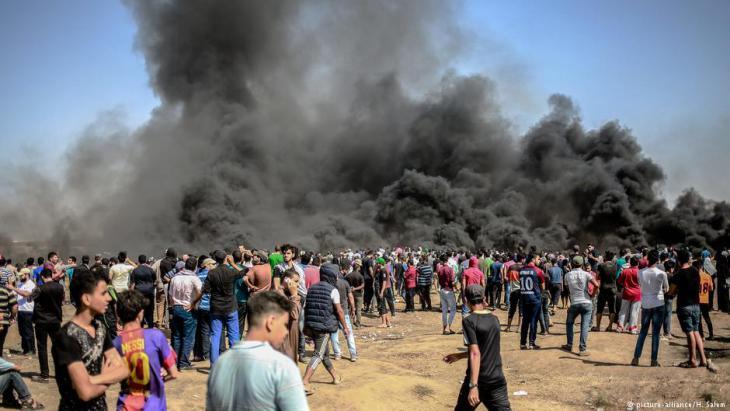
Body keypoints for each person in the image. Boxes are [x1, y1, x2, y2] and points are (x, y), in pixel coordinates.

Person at [206, 291, 308, 411]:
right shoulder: (281, 366)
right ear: (271, 322)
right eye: (285, 325)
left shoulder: (220, 363)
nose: (286, 332)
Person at [52, 267, 129, 410]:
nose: (109, 298)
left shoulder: (100, 328)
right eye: (103, 293)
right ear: (86, 299)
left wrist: (95, 379)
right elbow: (85, 393)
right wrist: (109, 376)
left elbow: (123, 369)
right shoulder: (67, 337)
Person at [443, 285, 511, 411]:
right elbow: (485, 349)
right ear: (484, 298)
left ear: (466, 301)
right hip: (497, 379)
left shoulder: (469, 321)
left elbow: (475, 353)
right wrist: (460, 355)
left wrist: (473, 386)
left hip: (479, 380)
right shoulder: (495, 319)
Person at [114, 290, 178, 410]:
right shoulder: (156, 336)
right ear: (140, 313)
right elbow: (173, 373)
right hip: (153, 406)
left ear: (119, 314)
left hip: (126, 406)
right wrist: (157, 380)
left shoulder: (116, 344)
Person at [301, 263, 349, 394]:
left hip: (311, 326)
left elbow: (306, 308)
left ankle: (335, 377)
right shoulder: (333, 290)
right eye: (336, 276)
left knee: (325, 354)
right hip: (324, 328)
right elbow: (339, 311)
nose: (337, 278)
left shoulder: (311, 288)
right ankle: (305, 382)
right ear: (331, 276)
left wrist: (306, 326)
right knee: (318, 354)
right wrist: (345, 327)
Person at [8, 268, 62, 383]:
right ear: (51, 275)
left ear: (42, 277)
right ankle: (60, 373)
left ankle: (44, 375)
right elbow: (61, 300)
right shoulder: (59, 287)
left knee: (42, 348)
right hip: (55, 321)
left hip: (41, 321)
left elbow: (29, 299)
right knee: (58, 347)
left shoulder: (39, 289)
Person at [668, 250, 717, 372]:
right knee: (696, 331)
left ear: (678, 261)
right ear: (688, 259)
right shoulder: (696, 271)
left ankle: (692, 360)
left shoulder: (678, 275)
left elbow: (671, 292)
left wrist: (669, 293)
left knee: (689, 332)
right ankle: (703, 359)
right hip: (696, 305)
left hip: (685, 306)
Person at [196, 250, 245, 365]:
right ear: (225, 259)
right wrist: (233, 264)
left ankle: (214, 364)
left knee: (215, 336)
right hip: (230, 308)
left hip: (216, 308)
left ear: (215, 260)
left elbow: (206, 290)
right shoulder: (230, 271)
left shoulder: (212, 273)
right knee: (233, 336)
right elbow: (244, 272)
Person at [631, 250, 668, 367]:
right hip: (658, 303)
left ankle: (636, 358)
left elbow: (640, 284)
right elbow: (666, 288)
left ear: (647, 260)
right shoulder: (662, 273)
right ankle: (653, 360)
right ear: (657, 260)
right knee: (656, 333)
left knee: (643, 332)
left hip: (646, 304)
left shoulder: (640, 272)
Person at [561, 256, 599, 356]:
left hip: (574, 303)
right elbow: (596, 285)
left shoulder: (567, 275)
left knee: (569, 323)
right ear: (582, 265)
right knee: (584, 326)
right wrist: (592, 295)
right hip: (586, 302)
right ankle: (582, 349)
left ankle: (569, 344)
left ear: (572, 264)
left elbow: (567, 289)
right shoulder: (586, 274)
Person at [168, 257, 201, 371]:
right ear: (195, 267)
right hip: (188, 309)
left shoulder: (175, 278)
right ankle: (184, 363)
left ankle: (176, 362)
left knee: (177, 336)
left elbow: (170, 295)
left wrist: (173, 306)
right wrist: (193, 303)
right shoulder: (194, 278)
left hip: (176, 307)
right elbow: (201, 291)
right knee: (188, 337)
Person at [332, 262, 357, 361]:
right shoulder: (345, 283)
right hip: (344, 312)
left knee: (334, 334)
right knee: (348, 333)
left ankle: (337, 354)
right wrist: (353, 309)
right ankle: (353, 354)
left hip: (333, 312)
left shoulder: (330, 284)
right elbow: (350, 297)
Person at [277, 269, 302, 362]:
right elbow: (294, 315)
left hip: (291, 337)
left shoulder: (287, 295)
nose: (298, 285)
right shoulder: (279, 296)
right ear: (287, 280)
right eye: (295, 281)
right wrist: (294, 295)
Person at [518, 254, 542, 350]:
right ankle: (532, 343)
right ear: (533, 259)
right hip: (535, 299)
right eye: (538, 259)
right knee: (533, 321)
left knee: (525, 321)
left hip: (524, 298)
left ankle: (523, 343)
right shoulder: (538, 271)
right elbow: (543, 286)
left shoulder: (521, 270)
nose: (539, 260)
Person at [129, 255, 156, 328]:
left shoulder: (135, 270)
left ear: (139, 261)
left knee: (140, 310)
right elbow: (154, 281)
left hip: (139, 293)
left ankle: (140, 327)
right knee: (150, 311)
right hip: (149, 292)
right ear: (146, 260)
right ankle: (150, 327)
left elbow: (133, 284)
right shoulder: (150, 270)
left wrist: (131, 295)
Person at [593, 251, 617, 332]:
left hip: (603, 289)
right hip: (613, 289)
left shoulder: (601, 265)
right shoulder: (615, 266)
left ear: (605, 257)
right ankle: (610, 326)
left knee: (600, 308)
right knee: (612, 309)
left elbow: (597, 276)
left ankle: (598, 327)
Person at [617, 256, 641, 333]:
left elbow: (619, 281)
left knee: (623, 311)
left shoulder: (625, 271)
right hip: (637, 294)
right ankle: (632, 328)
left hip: (626, 293)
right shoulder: (640, 272)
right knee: (634, 311)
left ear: (630, 262)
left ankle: (620, 327)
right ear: (638, 263)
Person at [15, 268, 36, 356]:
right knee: (22, 331)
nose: (20, 277)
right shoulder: (20, 284)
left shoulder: (31, 284)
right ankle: (25, 349)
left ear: (27, 275)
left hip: (28, 310)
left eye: (21, 275)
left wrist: (13, 288)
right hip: (20, 310)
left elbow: (26, 294)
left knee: (28, 331)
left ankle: (31, 349)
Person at [437, 255, 457, 334]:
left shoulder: (440, 269)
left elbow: (439, 279)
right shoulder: (450, 269)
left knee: (444, 310)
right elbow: (452, 281)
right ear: (447, 260)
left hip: (442, 290)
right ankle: (449, 327)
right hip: (449, 290)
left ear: (442, 261)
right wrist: (456, 287)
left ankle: (444, 328)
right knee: (453, 309)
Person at [697, 259, 714, 340]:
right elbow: (711, 288)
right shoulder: (708, 276)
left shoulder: (695, 276)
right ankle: (711, 334)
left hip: (697, 300)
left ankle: (702, 336)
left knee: (699, 319)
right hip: (705, 300)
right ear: (702, 267)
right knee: (707, 317)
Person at [0, 280, 18, 357]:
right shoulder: (7, 291)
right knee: (0, 342)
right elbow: (15, 307)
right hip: (3, 320)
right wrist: (12, 317)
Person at [375, 258, 394, 327]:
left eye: (378, 263)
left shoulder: (383, 270)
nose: (377, 264)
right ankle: (388, 322)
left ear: (381, 263)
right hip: (380, 290)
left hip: (382, 290)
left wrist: (381, 292)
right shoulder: (380, 270)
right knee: (382, 305)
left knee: (382, 306)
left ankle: (384, 323)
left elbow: (384, 281)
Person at [345, 260, 364, 327]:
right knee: (358, 310)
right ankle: (358, 323)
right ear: (358, 268)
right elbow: (362, 285)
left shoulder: (348, 276)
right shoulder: (360, 276)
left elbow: (345, 285)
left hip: (350, 294)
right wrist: (356, 288)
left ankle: (350, 324)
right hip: (358, 294)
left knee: (350, 309)